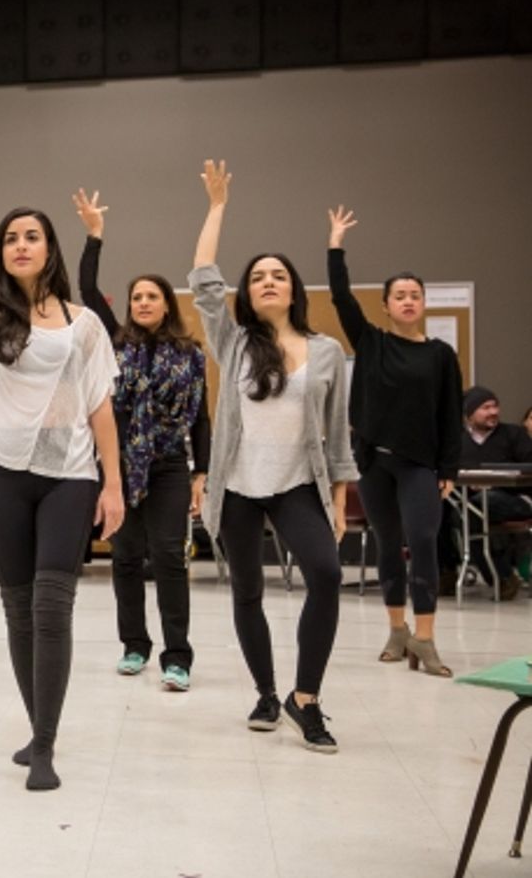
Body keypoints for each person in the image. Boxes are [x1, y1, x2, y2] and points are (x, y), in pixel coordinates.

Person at [0, 115, 124, 791]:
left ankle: (44, 744)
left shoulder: (84, 323)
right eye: (11, 237)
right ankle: (38, 728)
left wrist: (114, 487)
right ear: (1, 252)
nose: (21, 244)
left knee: (50, 606)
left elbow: (99, 406)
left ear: (50, 248)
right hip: (2, 472)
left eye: (32, 235)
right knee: (15, 606)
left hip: (69, 475)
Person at [190, 159, 357, 754]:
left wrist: (338, 502)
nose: (266, 281)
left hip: (296, 486)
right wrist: (217, 207)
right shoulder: (233, 343)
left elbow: (337, 436)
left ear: (293, 290)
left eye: (277, 275)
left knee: (328, 576)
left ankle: (304, 698)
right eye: (257, 276)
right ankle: (265, 691)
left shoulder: (328, 351)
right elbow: (203, 279)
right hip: (236, 485)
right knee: (246, 593)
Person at [73, 189, 210, 693]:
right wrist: (94, 235)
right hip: (120, 468)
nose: (144, 302)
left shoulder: (189, 355)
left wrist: (202, 473)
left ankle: (178, 655)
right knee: (126, 558)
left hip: (171, 464)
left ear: (167, 304)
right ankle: (134, 645)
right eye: (137, 298)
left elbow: (202, 416)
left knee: (170, 557)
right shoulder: (115, 342)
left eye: (153, 296)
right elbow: (88, 290)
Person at [326, 206, 464, 674]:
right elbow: (342, 298)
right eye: (399, 295)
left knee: (423, 541)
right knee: (388, 545)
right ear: (385, 305)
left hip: (419, 465)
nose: (408, 300)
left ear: (424, 303)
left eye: (415, 295)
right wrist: (336, 246)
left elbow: (450, 414)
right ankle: (397, 630)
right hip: (375, 464)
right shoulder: (371, 342)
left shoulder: (441, 355)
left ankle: (425, 640)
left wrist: (448, 469)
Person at [443, 386, 532, 598]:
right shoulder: (456, 440)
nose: (493, 412)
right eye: (485, 407)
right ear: (469, 413)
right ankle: (445, 572)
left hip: (514, 499)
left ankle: (501, 577)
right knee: (439, 508)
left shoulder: (514, 434)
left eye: (495, 406)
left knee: (474, 507)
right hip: (467, 500)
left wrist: (494, 482)